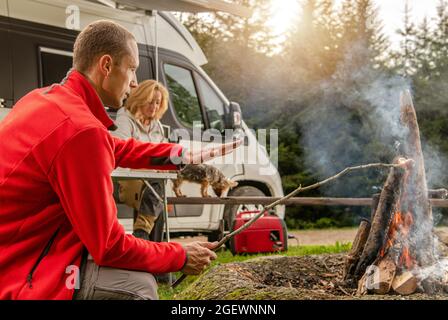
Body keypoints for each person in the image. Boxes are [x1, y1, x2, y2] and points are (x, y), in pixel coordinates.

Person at [0, 20, 240, 300]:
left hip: (20, 248)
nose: (135, 82)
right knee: (138, 286)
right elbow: (109, 246)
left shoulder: (43, 99)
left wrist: (181, 155)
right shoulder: (81, 130)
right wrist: (178, 255)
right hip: (25, 268)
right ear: (106, 65)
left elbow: (114, 147)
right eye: (132, 68)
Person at [112, 80, 169, 242]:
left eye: (158, 102)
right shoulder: (125, 117)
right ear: (140, 99)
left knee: (157, 192)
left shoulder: (157, 125)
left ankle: (144, 239)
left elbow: (163, 153)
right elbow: (120, 151)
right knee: (158, 192)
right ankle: (145, 240)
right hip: (125, 179)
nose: (154, 107)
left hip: (150, 181)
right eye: (150, 102)